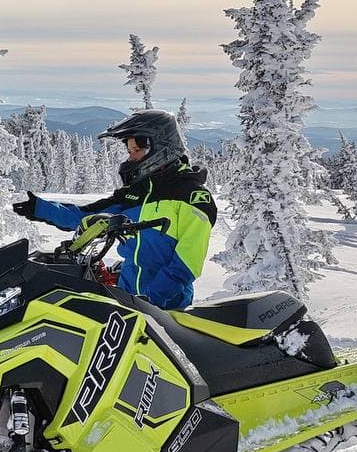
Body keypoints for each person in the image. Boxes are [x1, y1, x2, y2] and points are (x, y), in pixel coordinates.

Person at [11, 109, 216, 310]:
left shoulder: (193, 199)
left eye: (137, 151)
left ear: (161, 147)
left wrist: (151, 301)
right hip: (127, 301)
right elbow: (86, 215)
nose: (131, 158)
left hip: (167, 311)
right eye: (130, 152)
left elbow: (186, 264)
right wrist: (40, 208)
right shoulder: (135, 194)